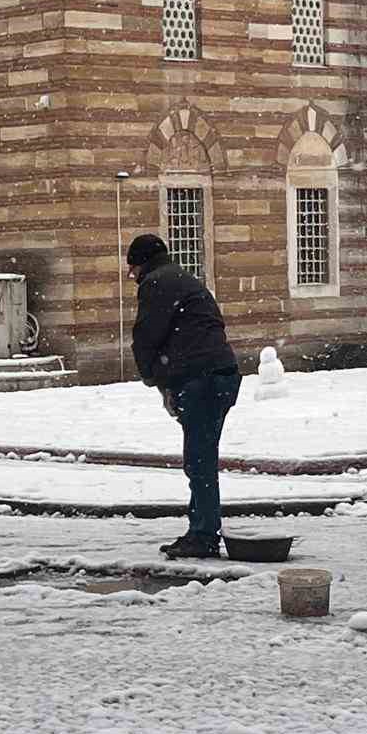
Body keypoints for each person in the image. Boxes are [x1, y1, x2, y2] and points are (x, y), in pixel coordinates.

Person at [127, 233, 241, 559]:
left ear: (142, 263)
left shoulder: (156, 283)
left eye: (132, 267)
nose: (131, 275)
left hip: (201, 380)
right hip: (222, 375)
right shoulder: (183, 279)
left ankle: (204, 535)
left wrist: (154, 379)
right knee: (202, 457)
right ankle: (202, 529)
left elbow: (146, 338)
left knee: (199, 461)